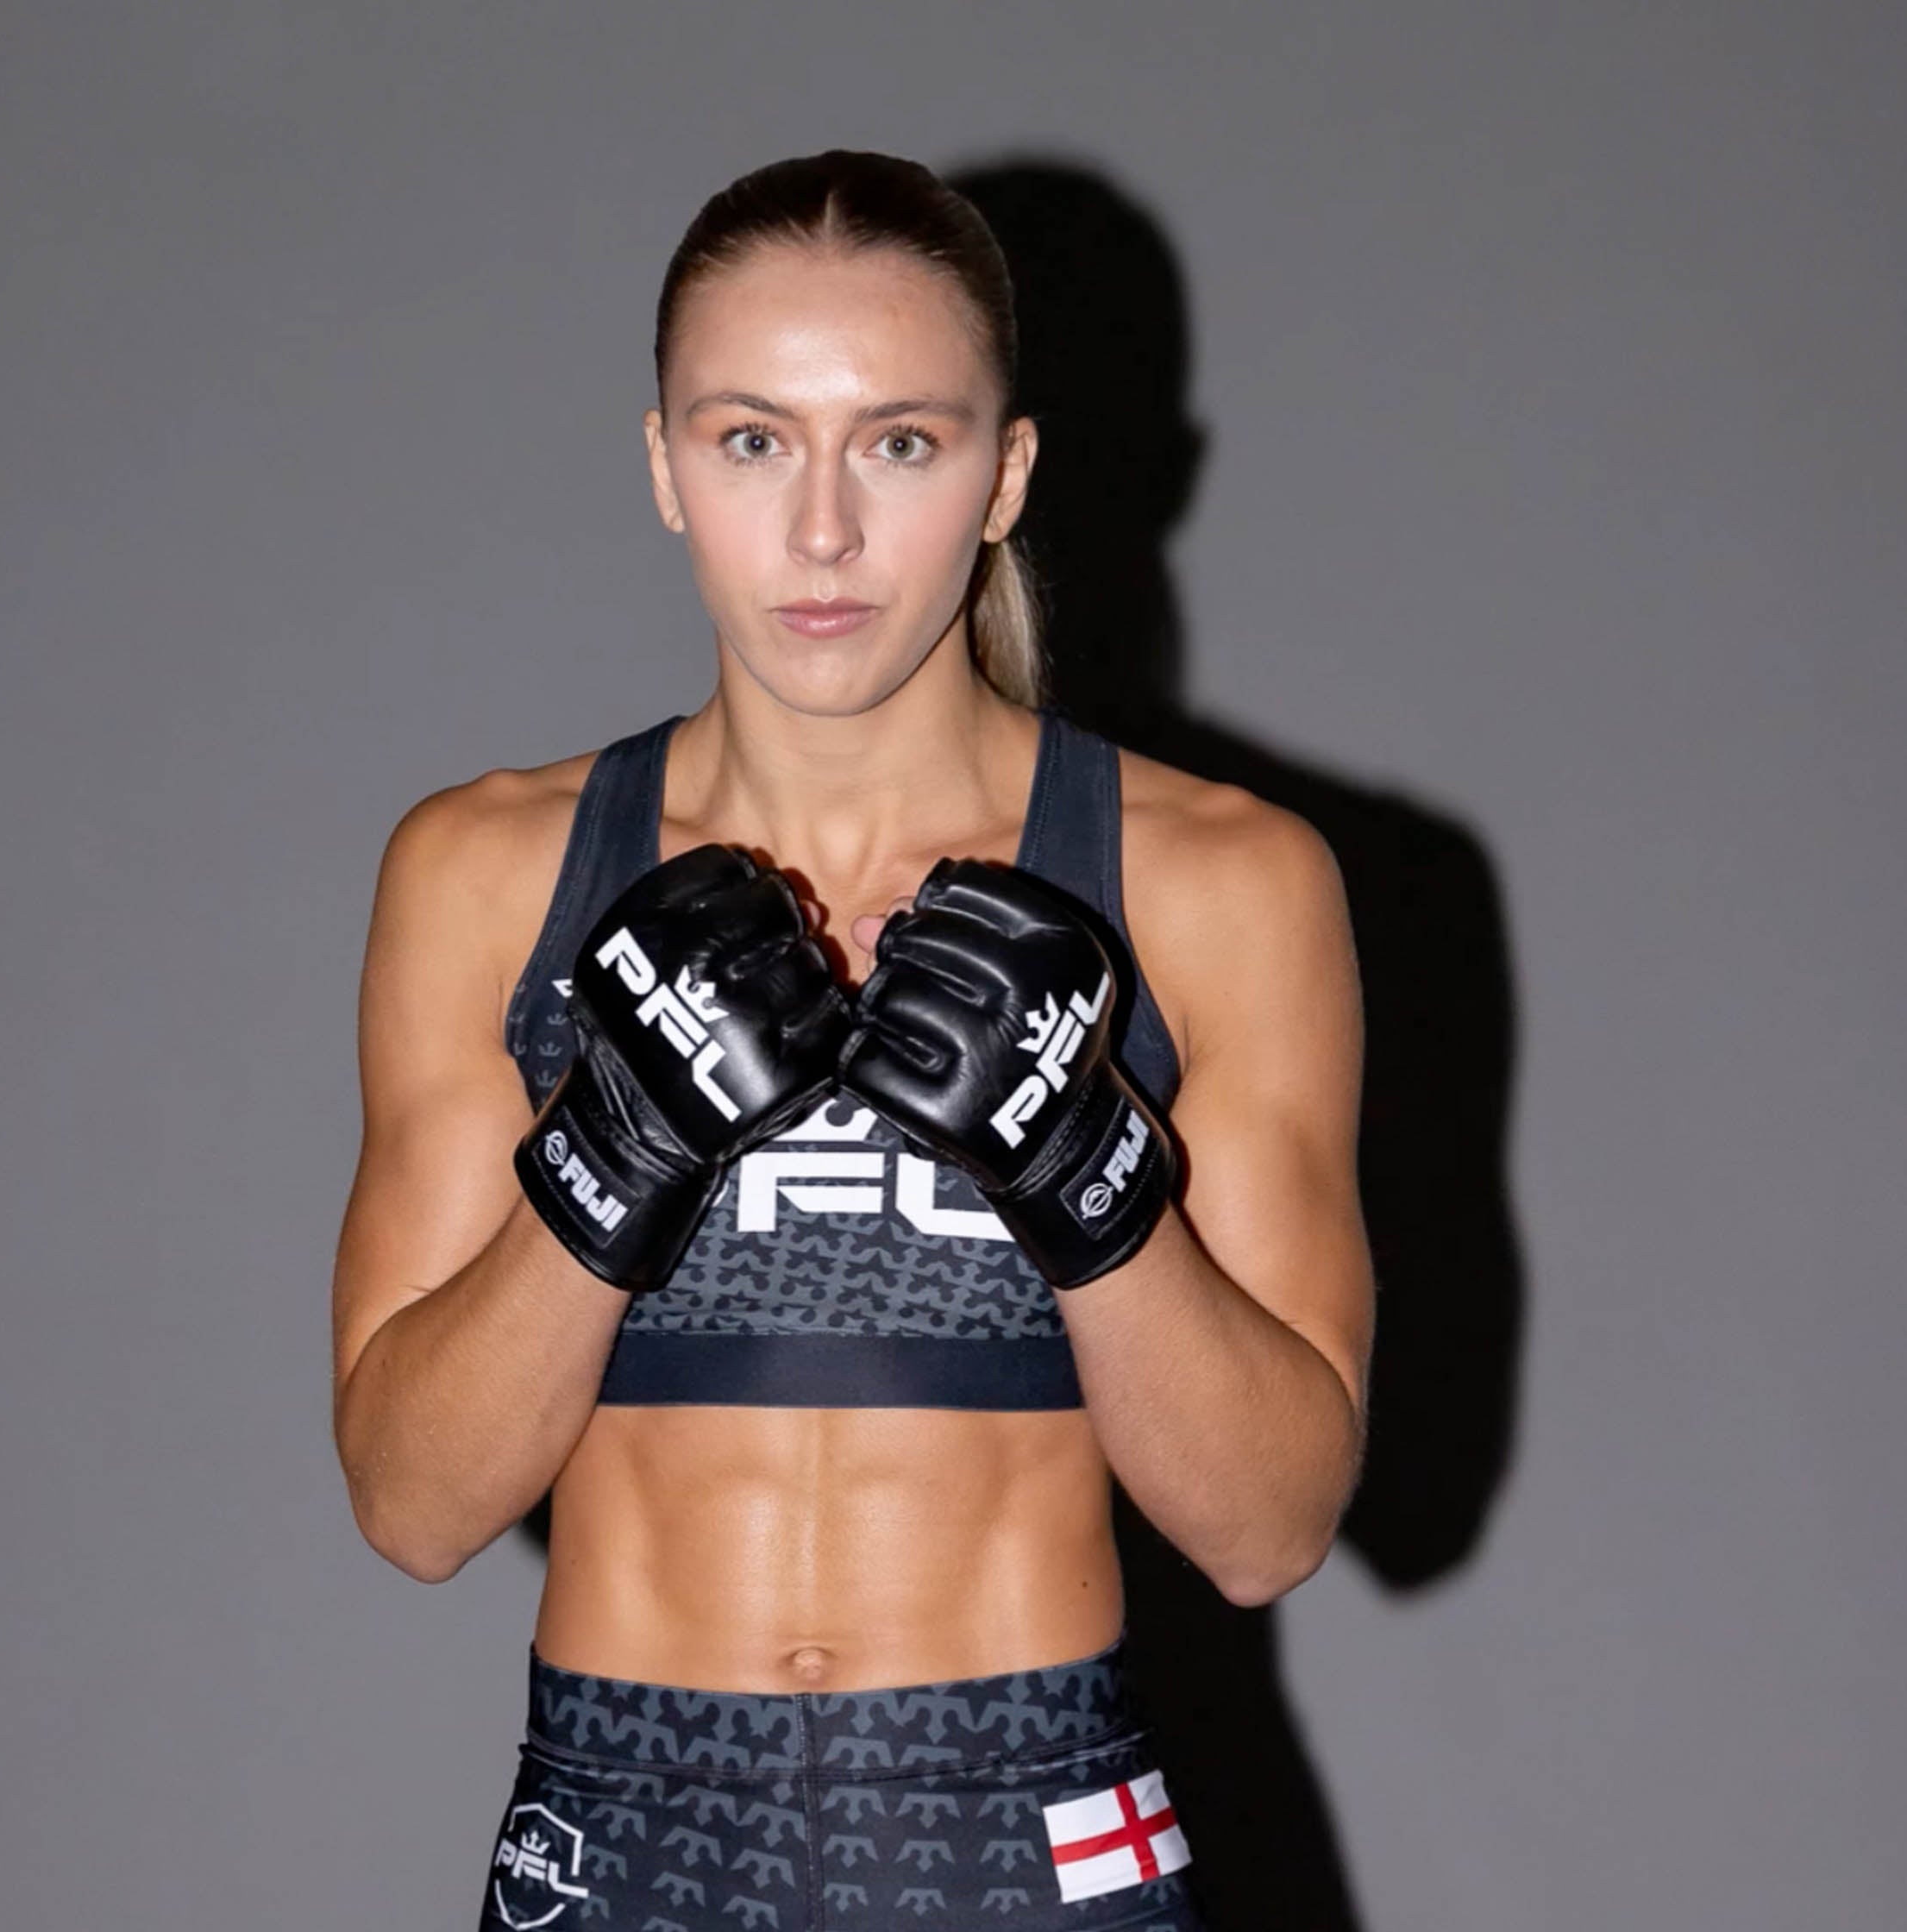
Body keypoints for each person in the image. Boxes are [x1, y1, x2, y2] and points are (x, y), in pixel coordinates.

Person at [330, 149, 1374, 1932]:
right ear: (663, 465)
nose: (823, 532)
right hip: (623, 1841)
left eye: (898, 441)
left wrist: (1087, 1170)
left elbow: (1268, 1525)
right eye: (752, 441)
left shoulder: (1216, 886)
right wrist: (612, 1160)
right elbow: (414, 1502)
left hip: (1033, 1835)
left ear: (1002, 475)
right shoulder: (493, 871)